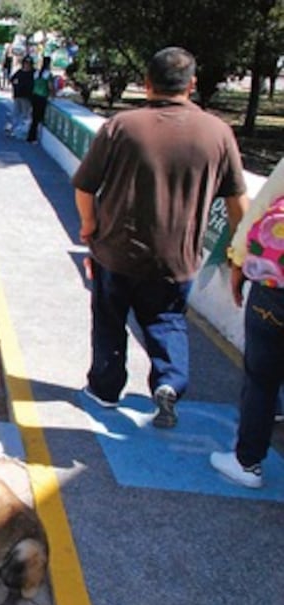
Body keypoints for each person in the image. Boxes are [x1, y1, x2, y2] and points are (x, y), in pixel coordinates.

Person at [73, 46, 248, 428]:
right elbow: (238, 204)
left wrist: (89, 226)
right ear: (193, 84)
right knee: (167, 321)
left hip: (115, 252)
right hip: (177, 258)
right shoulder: (218, 133)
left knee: (109, 319)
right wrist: (239, 255)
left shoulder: (121, 126)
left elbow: (85, 187)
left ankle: (105, 389)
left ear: (147, 82)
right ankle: (169, 384)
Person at [210, 157, 284, 488]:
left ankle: (248, 462)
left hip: (276, 288)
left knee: (262, 378)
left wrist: (239, 260)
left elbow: (260, 207)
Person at [27, 55, 54, 143]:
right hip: (42, 97)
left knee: (34, 117)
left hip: (34, 96)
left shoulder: (37, 73)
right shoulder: (48, 74)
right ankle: (33, 137)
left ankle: (31, 136)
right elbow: (50, 87)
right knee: (38, 118)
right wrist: (53, 94)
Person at [8, 55, 34, 139]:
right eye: (25, 63)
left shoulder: (33, 73)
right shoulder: (19, 72)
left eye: (28, 63)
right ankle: (13, 130)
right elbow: (12, 80)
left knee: (25, 115)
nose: (27, 65)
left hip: (27, 97)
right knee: (16, 113)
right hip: (18, 95)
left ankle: (21, 132)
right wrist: (16, 85)